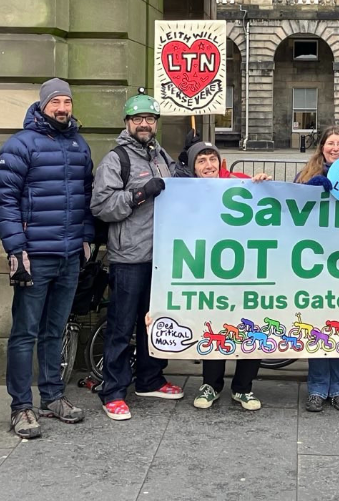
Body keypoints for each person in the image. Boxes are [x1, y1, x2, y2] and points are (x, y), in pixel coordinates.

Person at [0, 78, 94, 438]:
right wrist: (15, 250)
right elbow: (4, 201)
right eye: (56, 102)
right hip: (34, 256)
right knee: (25, 333)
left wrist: (86, 237)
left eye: (67, 101)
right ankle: (20, 407)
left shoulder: (79, 145)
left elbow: (86, 195)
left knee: (55, 330)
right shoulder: (20, 146)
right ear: (43, 105)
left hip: (69, 256)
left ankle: (52, 396)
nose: (62, 108)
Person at [90, 89, 185, 421]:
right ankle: (113, 390)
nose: (144, 124)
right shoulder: (117, 159)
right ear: (127, 122)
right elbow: (101, 206)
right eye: (138, 119)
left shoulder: (161, 156)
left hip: (161, 256)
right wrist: (140, 194)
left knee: (152, 322)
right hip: (129, 256)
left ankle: (149, 378)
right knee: (122, 324)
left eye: (149, 119)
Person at [184, 140, 271, 411]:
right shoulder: (185, 191)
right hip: (210, 270)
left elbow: (267, 202)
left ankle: (243, 387)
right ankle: (211, 384)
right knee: (214, 325)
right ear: (193, 167)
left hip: (248, 268)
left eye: (212, 159)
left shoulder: (240, 182)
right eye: (201, 160)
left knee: (250, 323)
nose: (208, 165)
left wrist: (263, 183)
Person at [296, 126, 339, 412]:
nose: (335, 148)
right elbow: (292, 206)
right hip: (315, 262)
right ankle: (316, 387)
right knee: (318, 326)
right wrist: (310, 190)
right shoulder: (308, 173)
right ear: (322, 147)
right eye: (330, 143)